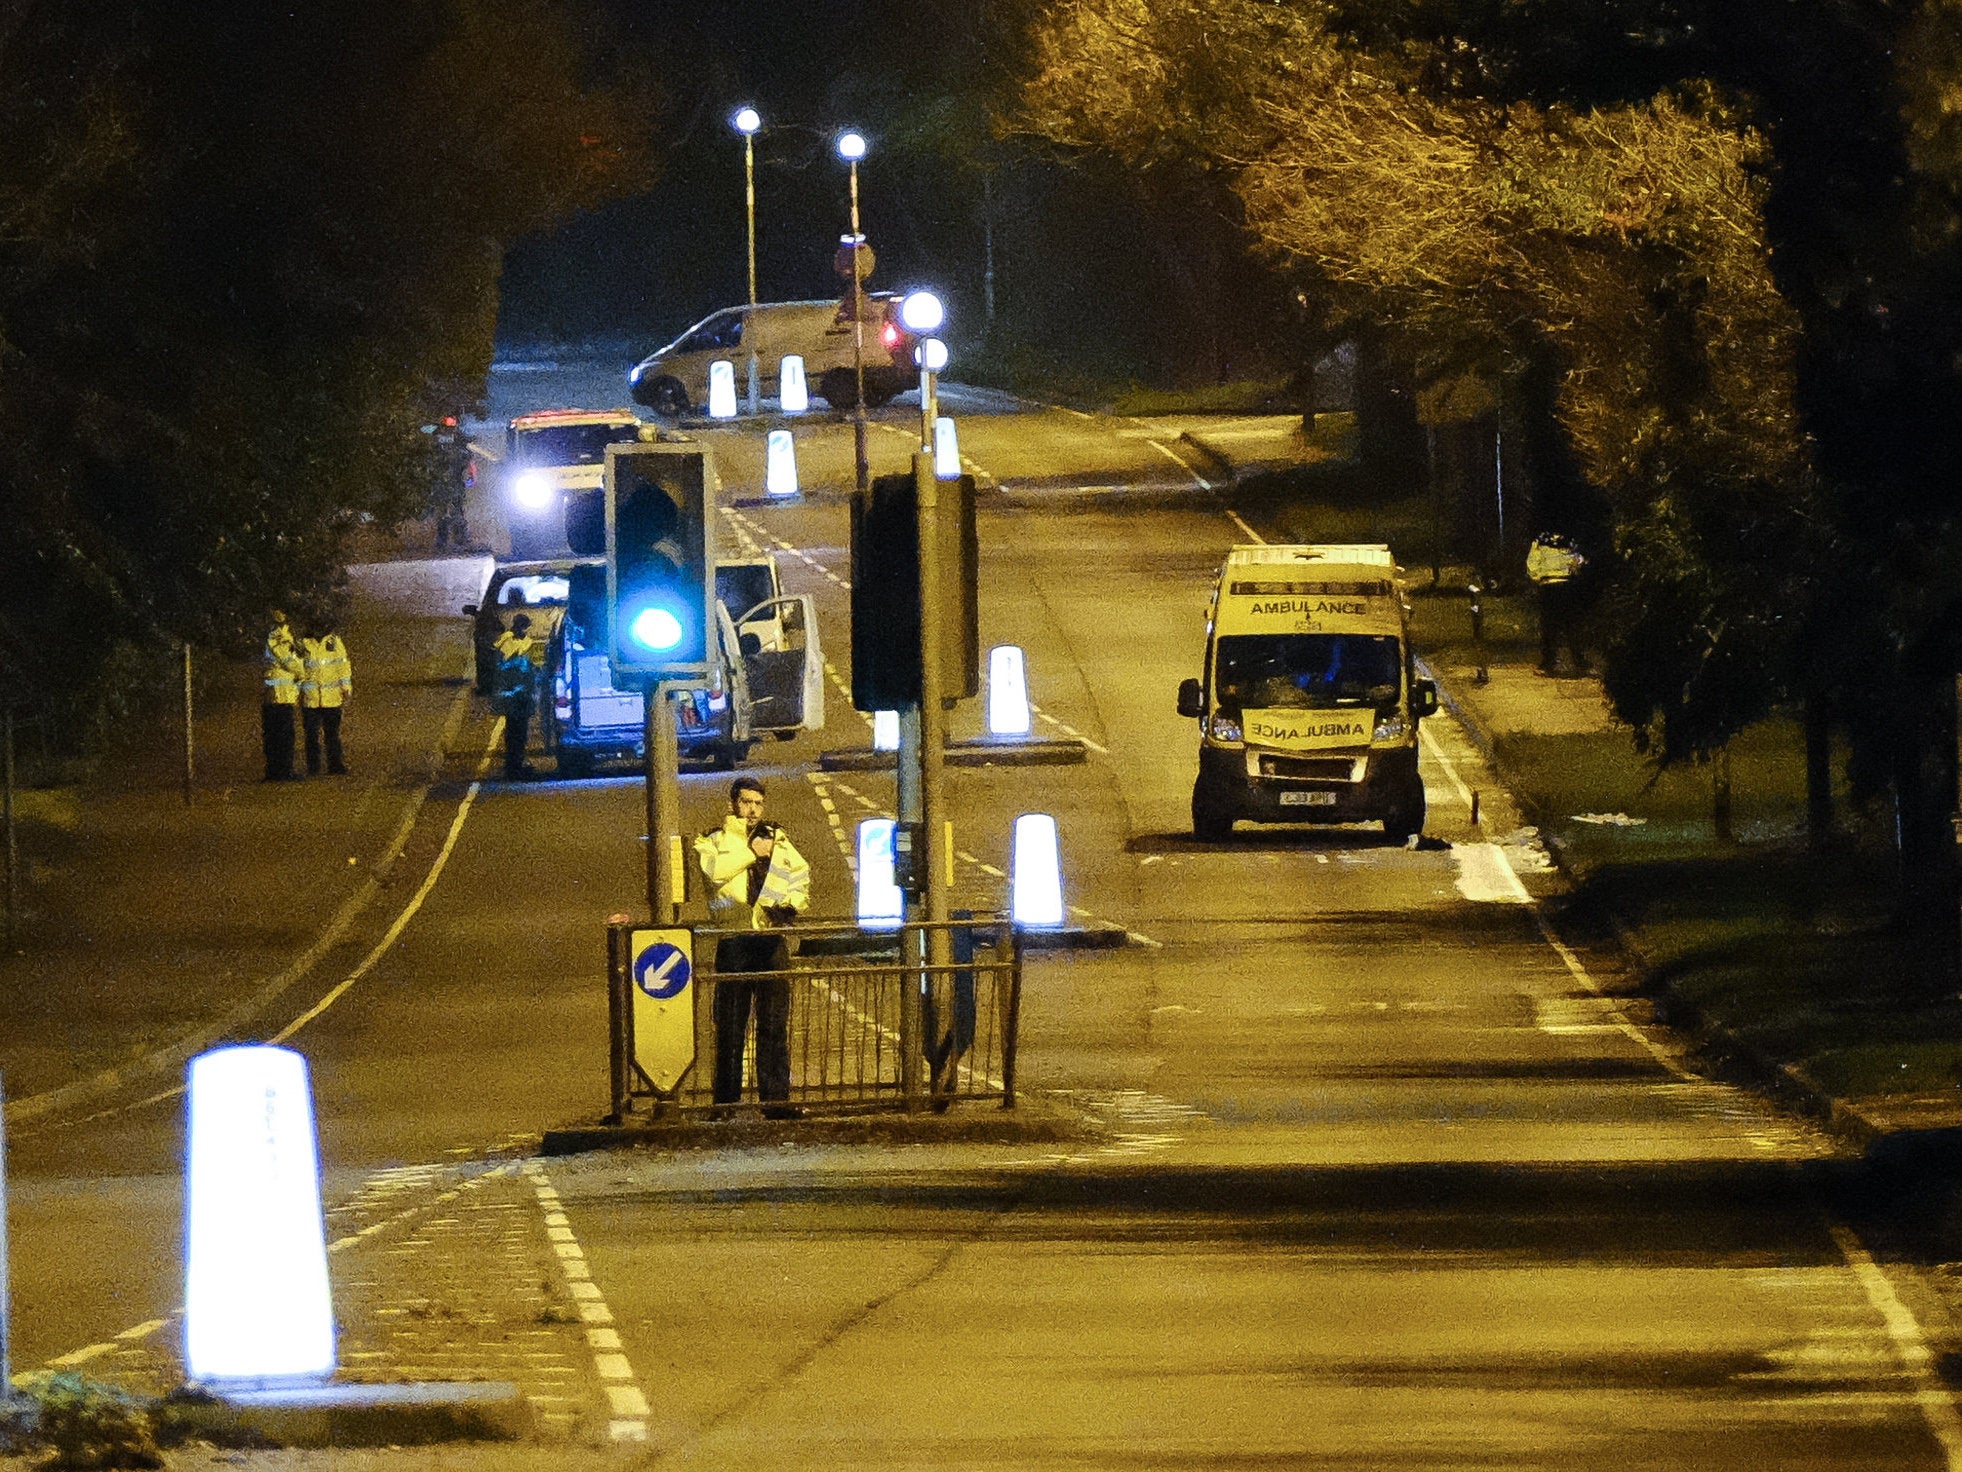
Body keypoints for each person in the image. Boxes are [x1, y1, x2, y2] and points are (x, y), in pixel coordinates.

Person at [695, 776, 811, 1119]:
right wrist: (752, 852)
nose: (752, 810)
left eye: (758, 803)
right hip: (734, 942)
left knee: (773, 1026)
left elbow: (799, 872)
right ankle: (725, 1105)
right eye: (746, 802)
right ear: (732, 803)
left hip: (770, 939)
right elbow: (715, 874)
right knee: (730, 1026)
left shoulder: (778, 836)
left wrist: (792, 903)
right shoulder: (713, 839)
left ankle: (776, 1102)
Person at [1526, 531, 1589, 676]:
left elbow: (1579, 560)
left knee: (1570, 625)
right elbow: (1532, 564)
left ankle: (1577, 660)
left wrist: (1576, 567)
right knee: (1552, 625)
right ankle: (1552, 661)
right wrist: (1540, 578)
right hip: (1550, 586)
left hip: (1565, 585)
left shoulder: (1567, 540)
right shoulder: (1543, 540)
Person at [299, 624, 353, 776]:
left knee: (332, 734)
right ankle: (313, 767)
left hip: (331, 698)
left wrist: (346, 688)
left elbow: (343, 666)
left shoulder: (334, 642)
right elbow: (298, 668)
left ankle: (335, 765)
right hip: (311, 698)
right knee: (311, 735)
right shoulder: (303, 644)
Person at [492, 613, 540, 779]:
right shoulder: (506, 640)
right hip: (512, 695)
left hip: (524, 694)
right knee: (514, 732)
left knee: (521, 733)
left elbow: (533, 666)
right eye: (522, 626)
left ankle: (516, 764)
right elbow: (501, 666)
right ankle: (512, 767)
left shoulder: (527, 641)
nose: (523, 630)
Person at [261, 610, 305, 781]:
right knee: (282, 735)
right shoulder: (278, 637)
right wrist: (302, 672)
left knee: (276, 735)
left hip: (280, 694)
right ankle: (282, 771)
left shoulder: (281, 636)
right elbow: (288, 660)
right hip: (279, 695)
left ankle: (278, 770)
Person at [432, 416, 471, 552]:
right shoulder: (443, 437)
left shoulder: (444, 436)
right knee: (448, 511)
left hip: (451, 481)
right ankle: (449, 540)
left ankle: (455, 539)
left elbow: (467, 457)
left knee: (453, 510)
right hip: (445, 481)